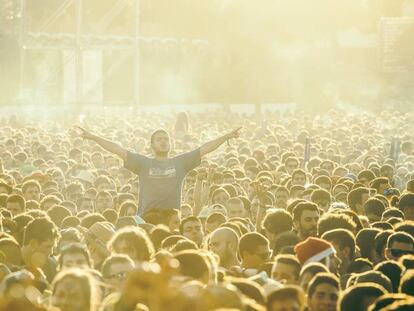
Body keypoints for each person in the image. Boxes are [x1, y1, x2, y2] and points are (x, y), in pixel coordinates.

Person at [77, 126, 241, 215]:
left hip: (172, 220)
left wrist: (226, 136)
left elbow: (205, 148)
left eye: (166, 139)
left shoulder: (180, 162)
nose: (163, 142)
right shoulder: (143, 163)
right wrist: (93, 137)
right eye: (159, 139)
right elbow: (117, 149)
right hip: (146, 219)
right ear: (152, 145)